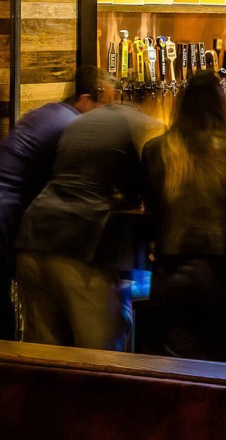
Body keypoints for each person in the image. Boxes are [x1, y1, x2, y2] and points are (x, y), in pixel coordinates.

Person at [14, 99, 160, 350]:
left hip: (32, 238)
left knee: (44, 363)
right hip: (79, 247)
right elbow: (153, 190)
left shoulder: (81, 123)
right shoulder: (146, 128)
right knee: (100, 359)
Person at [140, 72, 226, 362]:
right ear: (220, 103)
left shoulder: (157, 149)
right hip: (222, 269)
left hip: (171, 269)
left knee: (179, 362)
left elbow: (151, 208)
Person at [0, 67, 114, 341]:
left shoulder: (49, 112)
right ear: (85, 99)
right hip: (4, 211)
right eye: (103, 107)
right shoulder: (72, 125)